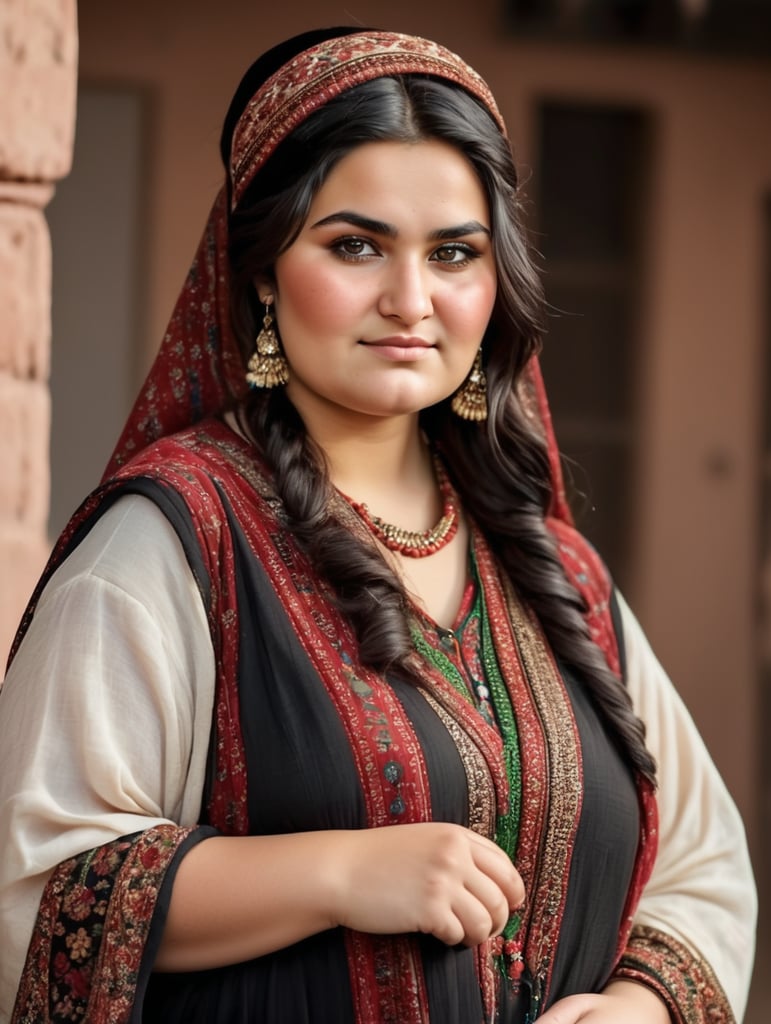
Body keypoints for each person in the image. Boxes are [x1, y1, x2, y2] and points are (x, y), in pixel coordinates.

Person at [0, 26, 756, 1024]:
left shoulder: (554, 569)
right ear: (264, 268)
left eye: (454, 253)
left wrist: (640, 1005)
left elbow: (704, 864)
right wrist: (341, 871)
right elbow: (37, 887)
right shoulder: (174, 540)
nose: (411, 300)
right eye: (355, 245)